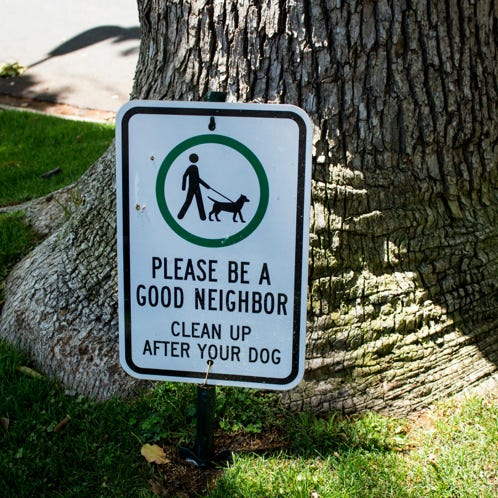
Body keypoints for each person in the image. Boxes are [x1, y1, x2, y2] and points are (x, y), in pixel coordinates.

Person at [177, 153, 210, 220]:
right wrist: (183, 187)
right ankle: (180, 215)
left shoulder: (195, 167)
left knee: (199, 201)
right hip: (192, 187)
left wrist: (206, 186)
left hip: (196, 187)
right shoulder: (192, 167)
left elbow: (197, 179)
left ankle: (203, 217)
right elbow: (185, 176)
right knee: (189, 201)